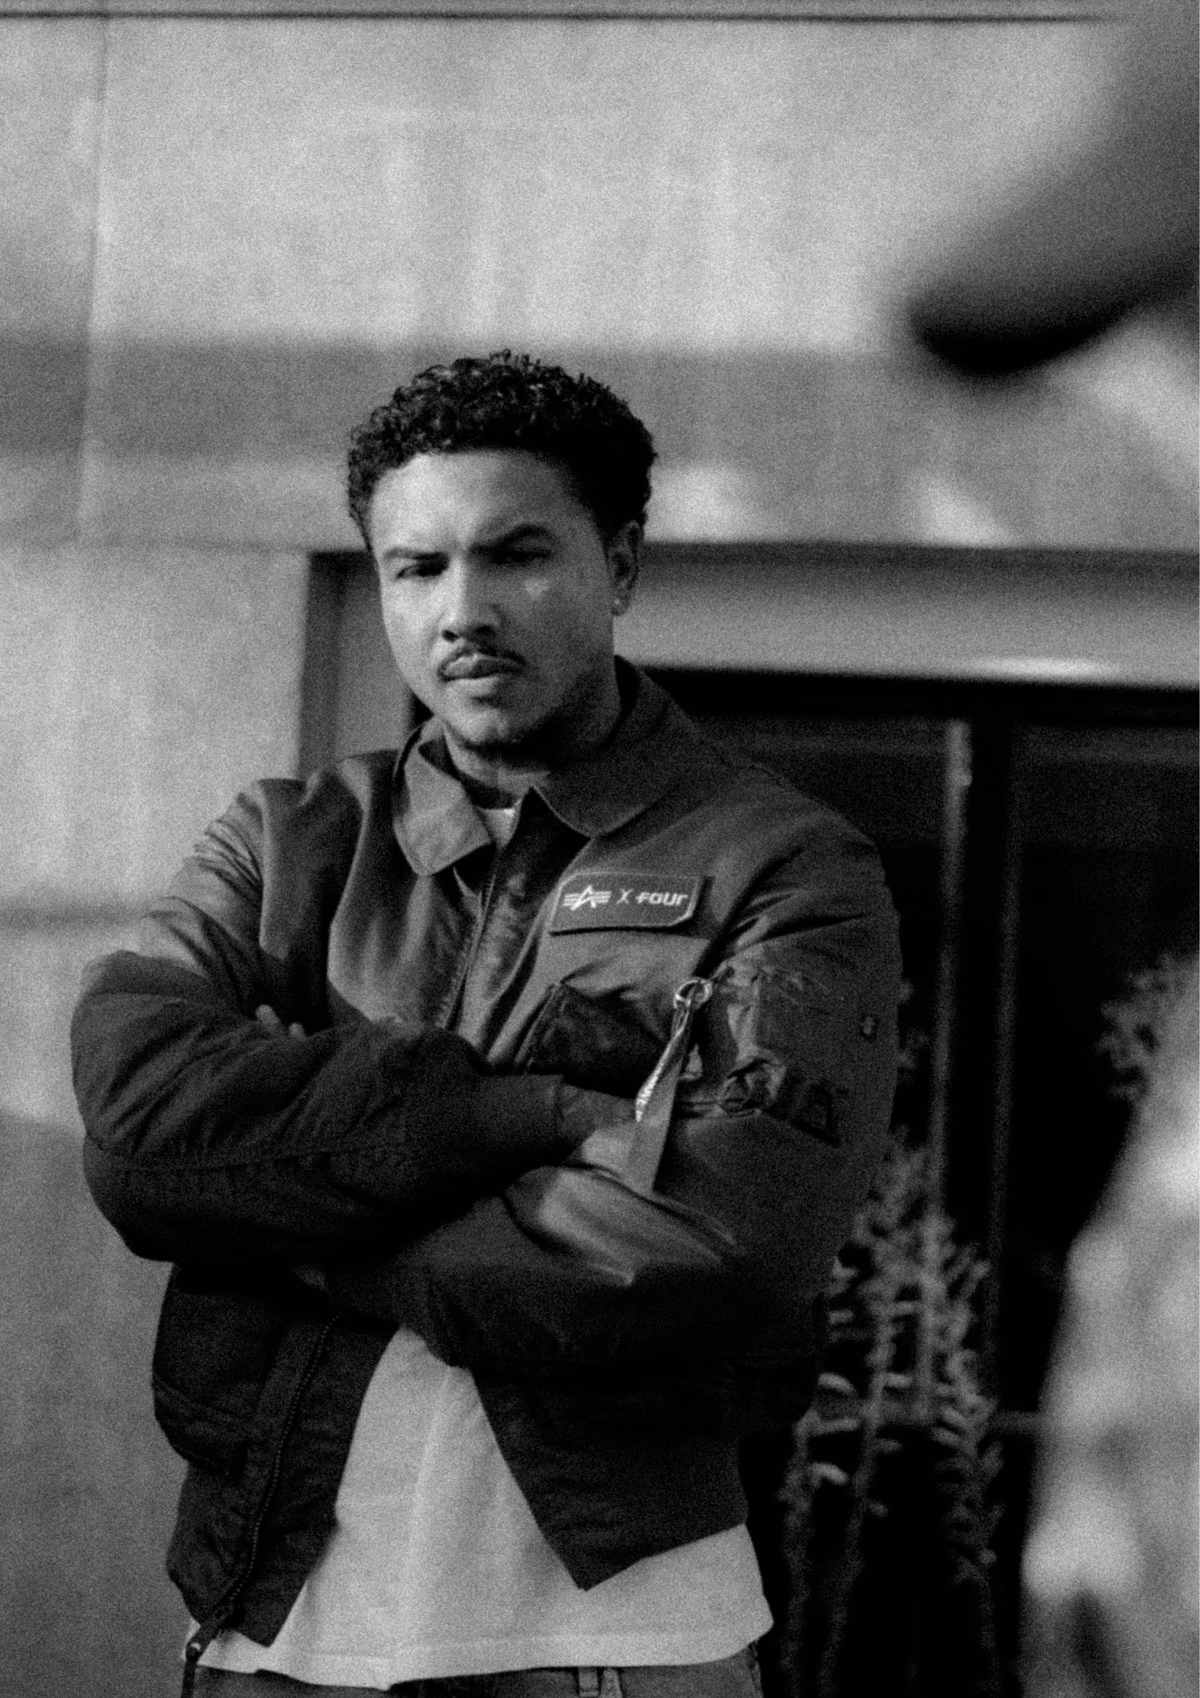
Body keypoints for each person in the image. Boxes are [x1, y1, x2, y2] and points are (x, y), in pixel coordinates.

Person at [72, 351, 901, 1698]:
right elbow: (136, 1142)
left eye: (516, 554)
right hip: (278, 1623)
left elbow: (710, 1242)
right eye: (415, 567)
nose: (461, 611)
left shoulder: (782, 867)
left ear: (618, 565)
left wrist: (293, 1215)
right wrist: (513, 1120)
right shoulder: (287, 844)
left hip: (618, 1638)